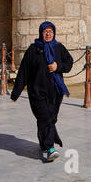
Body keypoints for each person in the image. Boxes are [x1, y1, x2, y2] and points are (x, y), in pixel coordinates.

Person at [11, 22, 73, 162]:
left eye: (50, 31)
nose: (48, 34)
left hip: (56, 92)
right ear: (41, 33)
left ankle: (43, 141)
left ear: (54, 33)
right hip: (37, 92)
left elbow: (69, 62)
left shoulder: (59, 48)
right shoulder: (33, 50)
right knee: (45, 117)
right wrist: (16, 93)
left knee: (50, 118)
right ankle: (50, 148)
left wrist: (58, 66)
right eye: (45, 31)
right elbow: (24, 72)